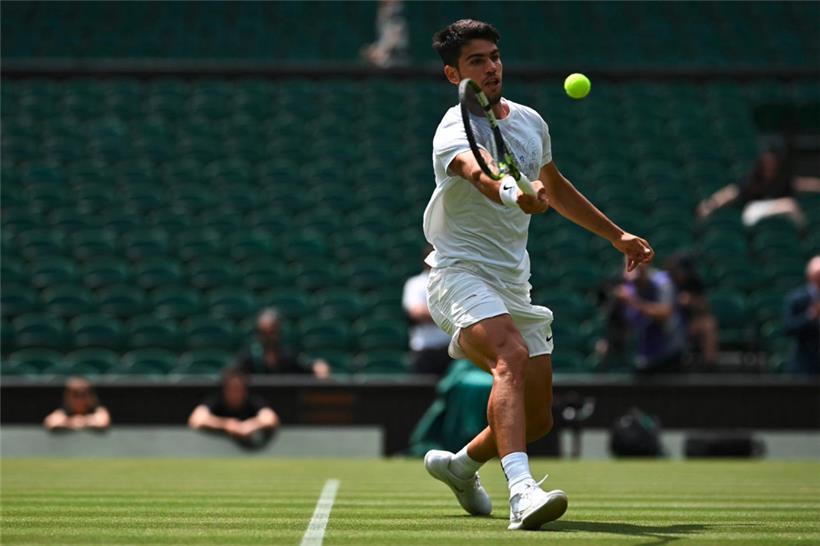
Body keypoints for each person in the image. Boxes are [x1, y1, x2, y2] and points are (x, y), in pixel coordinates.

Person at [421, 19, 654, 531]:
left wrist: (616, 235)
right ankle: (522, 492)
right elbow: (479, 175)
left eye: (494, 57)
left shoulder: (529, 121)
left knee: (538, 417)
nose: (490, 67)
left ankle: (460, 467)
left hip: (512, 282)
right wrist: (512, 193)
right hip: (458, 272)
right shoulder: (452, 130)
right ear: (453, 75)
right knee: (511, 356)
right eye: (476, 61)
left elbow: (557, 185)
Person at [696, 138, 820, 228]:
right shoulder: (753, 179)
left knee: (789, 206)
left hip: (774, 213)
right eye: (766, 160)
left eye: (772, 160)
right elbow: (731, 193)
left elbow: (804, 184)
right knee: (790, 205)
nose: (769, 163)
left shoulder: (781, 179)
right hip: (752, 213)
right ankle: (803, 232)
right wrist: (711, 204)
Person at [615, 261, 687, 373]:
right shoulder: (629, 285)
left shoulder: (662, 282)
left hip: (669, 352)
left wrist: (632, 301)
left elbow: (664, 313)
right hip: (644, 353)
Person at [188, 367, 279, 446]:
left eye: (238, 388)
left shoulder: (253, 401)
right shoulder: (215, 401)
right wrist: (226, 424)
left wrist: (249, 426)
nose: (235, 393)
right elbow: (196, 419)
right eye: (232, 388)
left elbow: (271, 418)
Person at [403, 245, 453, 375]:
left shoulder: (452, 282)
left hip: (451, 351)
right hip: (426, 350)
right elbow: (417, 312)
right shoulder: (415, 283)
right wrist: (451, 316)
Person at [237, 308, 330, 378]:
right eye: (264, 334)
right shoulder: (249, 355)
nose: (268, 338)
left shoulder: (288, 353)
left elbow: (308, 364)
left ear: (278, 331)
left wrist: (318, 365)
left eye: (272, 333)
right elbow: (234, 374)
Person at [665, 252, 719, 367]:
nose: (680, 273)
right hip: (669, 321)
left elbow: (705, 306)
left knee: (708, 324)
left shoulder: (694, 281)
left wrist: (691, 301)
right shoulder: (665, 283)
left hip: (689, 321)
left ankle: (710, 364)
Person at [783, 256, 820, 374]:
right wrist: (811, 315)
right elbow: (789, 328)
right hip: (806, 362)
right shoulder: (797, 299)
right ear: (810, 275)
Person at [43, 377, 110, 432]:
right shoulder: (64, 411)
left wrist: (79, 421)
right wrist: (74, 422)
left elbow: (103, 422)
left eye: (83, 394)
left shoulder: (97, 409)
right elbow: (51, 423)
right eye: (75, 395)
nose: (80, 399)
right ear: (67, 397)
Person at [360, 0, 409, 68]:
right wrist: (375, 50)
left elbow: (395, 40)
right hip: (388, 57)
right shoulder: (384, 11)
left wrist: (380, 52)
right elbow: (385, 38)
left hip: (397, 61)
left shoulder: (396, 12)